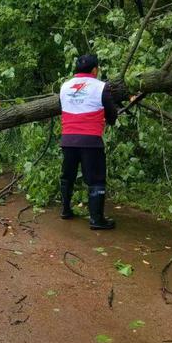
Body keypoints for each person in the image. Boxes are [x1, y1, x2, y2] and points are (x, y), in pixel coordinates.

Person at [59, 54, 117, 230]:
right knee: (96, 179)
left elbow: (62, 107)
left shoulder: (64, 87)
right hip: (90, 140)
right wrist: (110, 119)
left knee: (67, 175)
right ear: (94, 69)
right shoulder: (101, 87)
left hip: (68, 139)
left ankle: (65, 210)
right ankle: (96, 219)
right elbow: (112, 114)